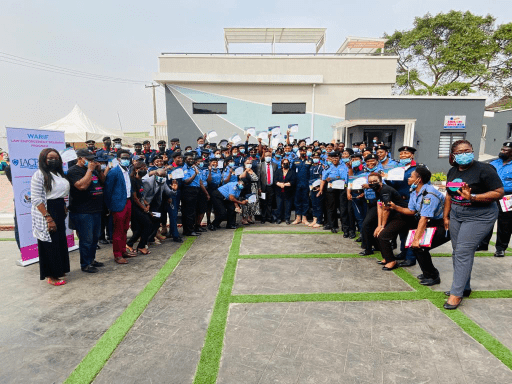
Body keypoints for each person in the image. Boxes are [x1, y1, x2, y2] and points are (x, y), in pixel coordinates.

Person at [443, 140, 503, 310]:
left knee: (463, 251)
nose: (464, 154)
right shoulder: (452, 171)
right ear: (453, 155)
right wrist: (445, 216)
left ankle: (456, 293)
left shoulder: (484, 169)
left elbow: (499, 192)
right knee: (458, 252)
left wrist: (473, 197)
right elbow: (449, 195)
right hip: (456, 213)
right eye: (459, 152)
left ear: (472, 151)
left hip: (480, 215)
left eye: (467, 150)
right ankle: (464, 287)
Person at [388, 166, 450, 286]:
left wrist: (417, 239)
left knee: (420, 246)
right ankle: (428, 272)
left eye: (411, 176)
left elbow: (424, 218)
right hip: (430, 222)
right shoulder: (415, 191)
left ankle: (433, 276)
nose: (408, 178)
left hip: (443, 224)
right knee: (416, 246)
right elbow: (411, 211)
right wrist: (396, 207)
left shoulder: (429, 195)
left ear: (419, 179)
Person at [31, 148, 70, 286]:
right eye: (50, 158)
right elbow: (36, 199)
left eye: (56, 158)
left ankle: (60, 270)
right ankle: (51, 276)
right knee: (50, 244)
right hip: (47, 211)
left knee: (59, 241)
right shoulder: (39, 175)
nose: (54, 160)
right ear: (43, 160)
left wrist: (64, 206)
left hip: (59, 209)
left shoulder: (59, 174)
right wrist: (48, 218)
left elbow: (60, 193)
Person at [67, 149, 106, 273]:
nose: (92, 162)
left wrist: (98, 170)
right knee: (86, 239)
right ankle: (85, 264)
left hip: (96, 209)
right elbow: (82, 186)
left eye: (92, 159)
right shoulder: (74, 171)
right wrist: (89, 170)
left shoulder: (94, 170)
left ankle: (92, 259)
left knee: (95, 238)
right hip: (83, 211)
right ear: (80, 158)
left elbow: (103, 182)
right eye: (88, 159)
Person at [368, 172, 410, 271]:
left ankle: (392, 261)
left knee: (383, 235)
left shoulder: (385, 190)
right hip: (393, 215)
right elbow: (380, 207)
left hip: (402, 216)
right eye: (370, 182)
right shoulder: (378, 190)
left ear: (380, 182)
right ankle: (386, 257)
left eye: (375, 181)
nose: (372, 183)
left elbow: (386, 209)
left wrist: (382, 226)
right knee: (377, 234)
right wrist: (379, 225)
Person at [104, 150, 138, 264]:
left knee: (124, 229)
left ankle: (123, 251)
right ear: (118, 159)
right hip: (118, 205)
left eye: (128, 158)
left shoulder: (127, 171)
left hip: (127, 202)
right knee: (118, 231)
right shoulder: (114, 172)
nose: (126, 160)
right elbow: (108, 191)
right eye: (124, 157)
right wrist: (109, 207)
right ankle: (117, 255)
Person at [485, 142, 512, 257]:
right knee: (486, 220)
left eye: (506, 150)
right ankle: (483, 244)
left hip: (507, 196)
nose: (502, 151)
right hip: (491, 194)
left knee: (505, 223)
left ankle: (501, 248)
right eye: (502, 149)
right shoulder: (493, 163)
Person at [143, 168, 178, 244]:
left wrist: (174, 190)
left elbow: (168, 192)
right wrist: (145, 205)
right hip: (147, 203)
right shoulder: (148, 182)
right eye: (160, 175)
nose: (162, 177)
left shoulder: (163, 182)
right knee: (147, 222)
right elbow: (142, 196)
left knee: (156, 221)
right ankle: (144, 241)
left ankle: (151, 239)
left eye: (164, 176)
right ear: (155, 174)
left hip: (156, 203)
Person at [127, 162, 152, 254]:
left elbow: (140, 195)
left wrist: (146, 203)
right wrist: (143, 208)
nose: (145, 170)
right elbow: (134, 197)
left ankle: (129, 243)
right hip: (135, 207)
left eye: (145, 168)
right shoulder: (132, 180)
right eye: (142, 168)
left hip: (140, 205)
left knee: (139, 228)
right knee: (148, 224)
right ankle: (141, 246)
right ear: (136, 169)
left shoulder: (140, 180)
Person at [181, 152, 202, 236]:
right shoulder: (184, 168)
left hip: (195, 190)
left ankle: (190, 229)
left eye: (192, 159)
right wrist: (195, 174)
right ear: (185, 160)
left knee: (193, 211)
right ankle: (189, 231)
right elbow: (186, 181)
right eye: (189, 159)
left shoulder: (193, 167)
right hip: (188, 191)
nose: (191, 160)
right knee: (189, 212)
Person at [292, 146, 312, 225]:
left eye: (304, 151)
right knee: (297, 201)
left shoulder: (310, 160)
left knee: (305, 201)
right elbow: (293, 173)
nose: (303, 152)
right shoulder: (295, 161)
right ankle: (298, 217)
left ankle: (304, 217)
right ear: (299, 151)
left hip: (306, 184)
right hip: (297, 184)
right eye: (301, 151)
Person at [274, 158, 296, 224]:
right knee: (279, 206)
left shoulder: (292, 171)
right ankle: (279, 219)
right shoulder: (278, 171)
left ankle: (287, 219)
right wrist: (279, 184)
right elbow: (275, 180)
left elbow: (293, 181)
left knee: (288, 206)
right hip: (279, 191)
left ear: (289, 164)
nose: (285, 164)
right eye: (284, 163)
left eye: (287, 163)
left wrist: (285, 184)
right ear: (281, 164)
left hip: (288, 191)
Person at [258, 150, 277, 224]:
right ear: (264, 157)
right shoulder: (260, 165)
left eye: (269, 155)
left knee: (270, 203)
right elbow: (259, 178)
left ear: (271, 156)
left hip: (271, 187)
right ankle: (263, 217)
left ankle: (269, 217)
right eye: (266, 156)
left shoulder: (275, 165)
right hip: (263, 187)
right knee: (263, 203)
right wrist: (259, 188)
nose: (268, 157)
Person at [240, 158, 260, 225]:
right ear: (244, 163)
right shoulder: (241, 169)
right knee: (246, 204)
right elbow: (240, 177)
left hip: (253, 188)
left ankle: (250, 218)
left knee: (252, 203)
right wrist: (246, 171)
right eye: (248, 163)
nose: (249, 164)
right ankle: (244, 219)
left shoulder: (253, 170)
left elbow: (256, 179)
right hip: (245, 188)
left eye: (250, 163)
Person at [309, 152, 325, 228]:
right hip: (312, 187)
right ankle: (314, 220)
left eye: (317, 157)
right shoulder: (311, 167)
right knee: (314, 204)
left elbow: (322, 177)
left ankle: (319, 220)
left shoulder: (321, 167)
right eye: (314, 157)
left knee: (319, 205)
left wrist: (319, 187)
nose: (315, 159)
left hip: (318, 187)